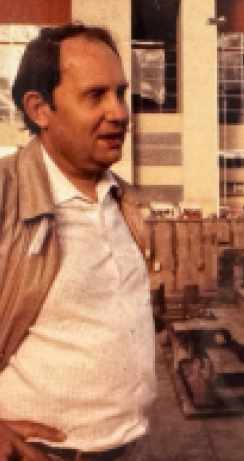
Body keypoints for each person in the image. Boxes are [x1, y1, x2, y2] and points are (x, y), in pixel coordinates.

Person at [0, 23, 155, 461]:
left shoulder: (123, 201)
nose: (120, 112)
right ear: (39, 108)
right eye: (95, 96)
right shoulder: (6, 195)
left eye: (120, 93)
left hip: (130, 448)